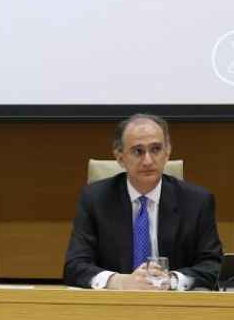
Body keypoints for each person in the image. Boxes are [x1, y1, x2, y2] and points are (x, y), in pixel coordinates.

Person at [63, 113, 223, 290]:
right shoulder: (95, 199)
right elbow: (74, 267)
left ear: (167, 152)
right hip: (114, 307)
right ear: (120, 157)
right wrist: (119, 282)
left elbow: (213, 266)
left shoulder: (197, 201)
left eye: (155, 149)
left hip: (174, 308)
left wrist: (172, 280)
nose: (148, 161)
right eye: (138, 151)